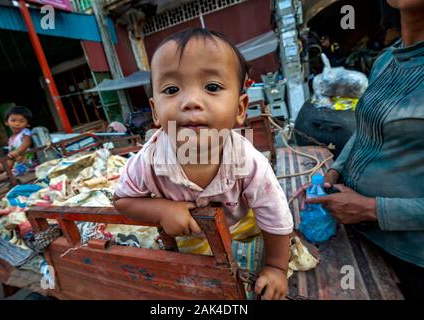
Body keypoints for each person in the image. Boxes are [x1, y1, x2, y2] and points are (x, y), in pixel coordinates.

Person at [114, 28, 293, 300]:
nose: (191, 102)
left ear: (240, 109)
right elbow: (121, 200)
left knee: (262, 239)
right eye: (172, 89)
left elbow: (276, 217)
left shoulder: (248, 161)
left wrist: (277, 268)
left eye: (212, 87)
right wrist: (161, 209)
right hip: (188, 238)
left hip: (242, 224)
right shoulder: (148, 161)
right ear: (155, 112)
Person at [296, 0, 424, 300]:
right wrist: (336, 168)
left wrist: (371, 208)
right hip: (359, 237)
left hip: (410, 262)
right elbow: (365, 129)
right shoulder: (386, 61)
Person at [0, 106, 33, 175]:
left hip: (25, 163)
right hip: (15, 162)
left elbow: (27, 142)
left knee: (3, 176)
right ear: (6, 122)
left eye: (21, 121)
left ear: (28, 124)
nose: (17, 124)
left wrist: (17, 151)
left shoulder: (25, 132)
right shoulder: (11, 138)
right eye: (13, 120)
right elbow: (11, 152)